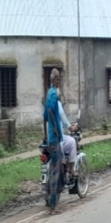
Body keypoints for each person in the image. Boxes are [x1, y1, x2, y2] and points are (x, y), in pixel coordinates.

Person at [42, 69, 67, 214]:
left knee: (55, 169)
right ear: (55, 79)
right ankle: (52, 206)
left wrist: (45, 134)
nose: (59, 80)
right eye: (58, 78)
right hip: (55, 139)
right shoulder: (53, 94)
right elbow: (50, 113)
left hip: (50, 137)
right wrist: (56, 131)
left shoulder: (49, 93)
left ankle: (52, 201)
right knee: (55, 172)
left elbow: (44, 116)